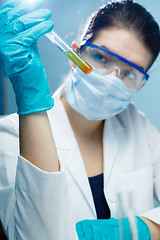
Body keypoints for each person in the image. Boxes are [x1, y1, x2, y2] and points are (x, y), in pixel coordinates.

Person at [0, 0, 160, 239]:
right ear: (74, 54)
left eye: (129, 73)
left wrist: (140, 228)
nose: (112, 80)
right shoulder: (10, 135)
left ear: (141, 84)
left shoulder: (138, 125)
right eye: (102, 58)